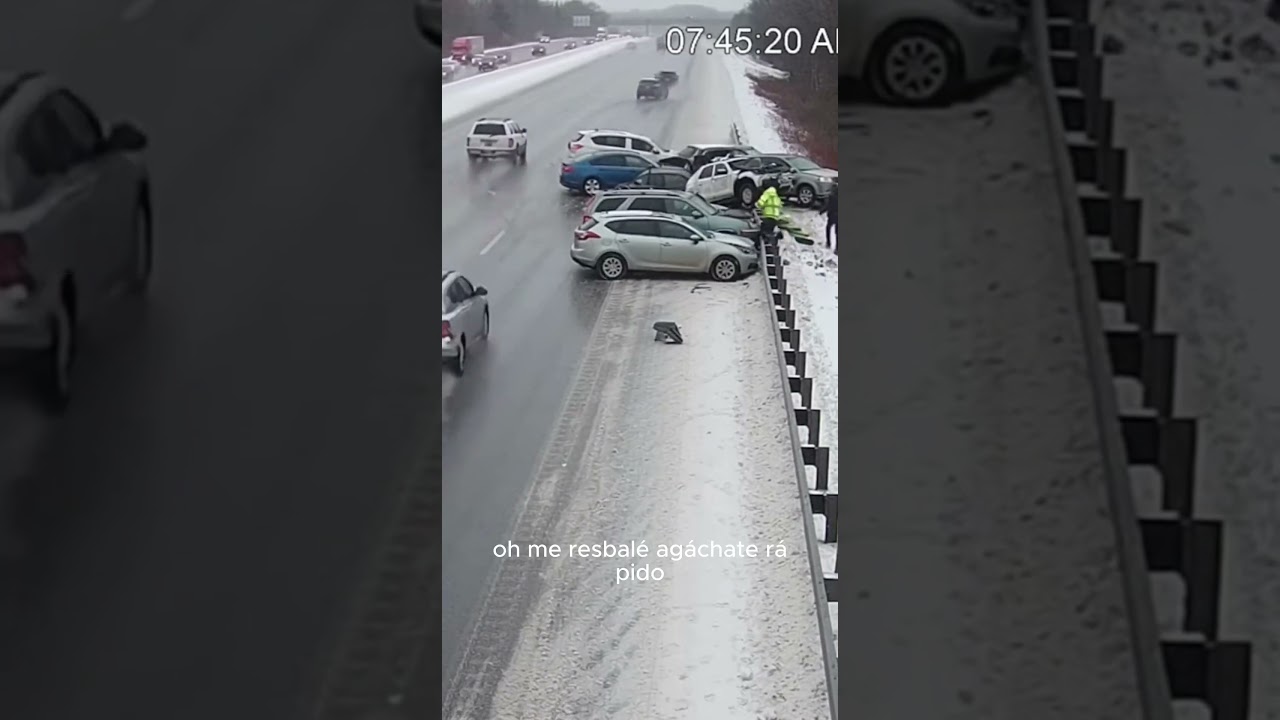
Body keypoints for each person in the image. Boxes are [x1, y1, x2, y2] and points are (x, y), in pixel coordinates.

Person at [755, 179, 783, 247]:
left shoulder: (767, 192)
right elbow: (779, 206)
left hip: (768, 216)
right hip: (774, 218)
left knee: (762, 233)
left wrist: (757, 205)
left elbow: (761, 201)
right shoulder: (776, 195)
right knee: (769, 231)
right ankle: (772, 242)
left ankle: (758, 246)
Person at [822, 182, 838, 253]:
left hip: (832, 215)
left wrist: (822, 211)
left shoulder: (831, 196)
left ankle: (828, 243)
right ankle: (837, 248)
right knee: (837, 232)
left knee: (828, 228)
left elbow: (828, 205)